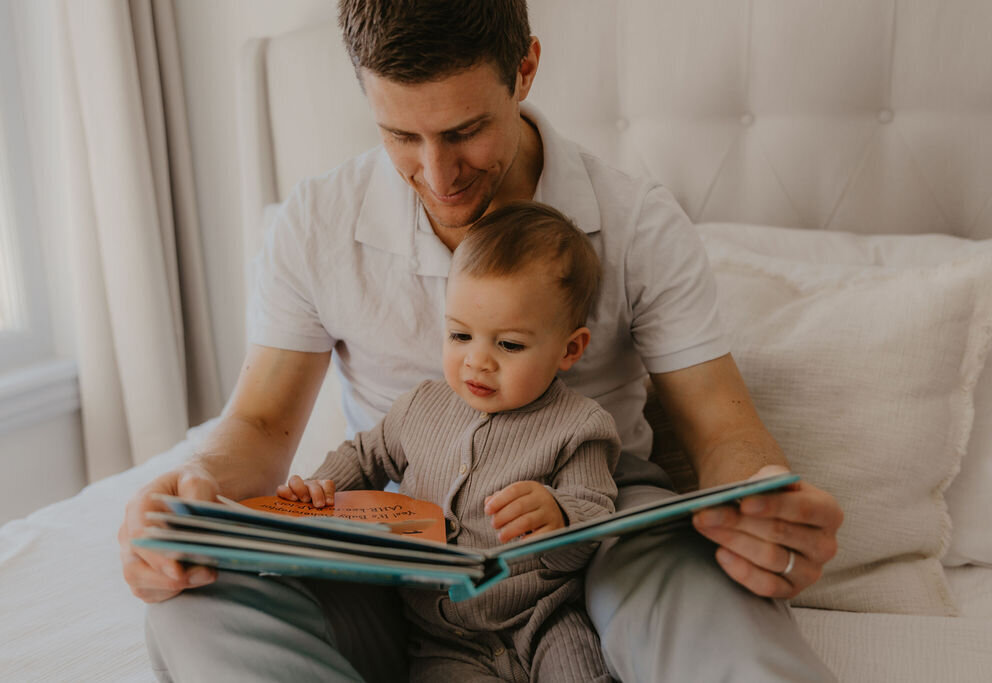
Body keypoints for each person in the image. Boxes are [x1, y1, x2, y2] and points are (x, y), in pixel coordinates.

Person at [131, 1, 843, 681]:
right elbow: (258, 425)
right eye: (402, 137)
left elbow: (722, 428)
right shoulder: (316, 224)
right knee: (189, 596)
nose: (437, 177)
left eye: (465, 130)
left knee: (707, 594)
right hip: (405, 549)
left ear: (525, 70)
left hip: (600, 530)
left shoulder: (640, 224)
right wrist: (191, 497)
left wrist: (761, 507)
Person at [279, 202, 620, 682]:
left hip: (543, 618)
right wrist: (318, 490)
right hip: (440, 637)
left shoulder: (579, 425)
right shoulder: (421, 406)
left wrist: (560, 516)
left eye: (509, 345)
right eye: (460, 335)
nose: (477, 362)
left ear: (569, 349)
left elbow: (596, 514)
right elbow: (364, 456)